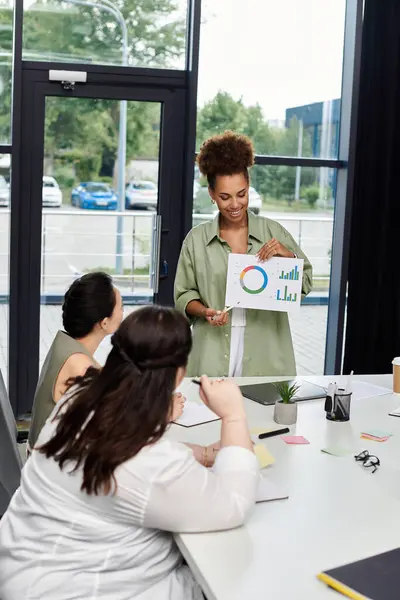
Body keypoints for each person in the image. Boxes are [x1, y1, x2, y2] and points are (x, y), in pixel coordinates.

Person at [0, 306, 258, 600]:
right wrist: (234, 414)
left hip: (24, 567)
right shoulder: (150, 465)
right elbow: (232, 504)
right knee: (230, 574)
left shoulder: (80, 397)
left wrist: (199, 454)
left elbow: (124, 453)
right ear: (178, 373)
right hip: (73, 588)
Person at [174, 131, 313, 377]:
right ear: (212, 195)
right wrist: (205, 312)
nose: (235, 205)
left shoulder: (273, 232)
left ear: (248, 187)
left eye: (242, 194)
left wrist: (287, 257)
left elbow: (304, 285)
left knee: (262, 414)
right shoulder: (196, 241)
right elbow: (184, 294)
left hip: (266, 354)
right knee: (209, 414)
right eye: (224, 197)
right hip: (211, 352)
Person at [27, 272, 124, 451]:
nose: (123, 312)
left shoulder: (63, 343)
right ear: (103, 322)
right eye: (121, 307)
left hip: (45, 455)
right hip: (53, 468)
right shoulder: (80, 366)